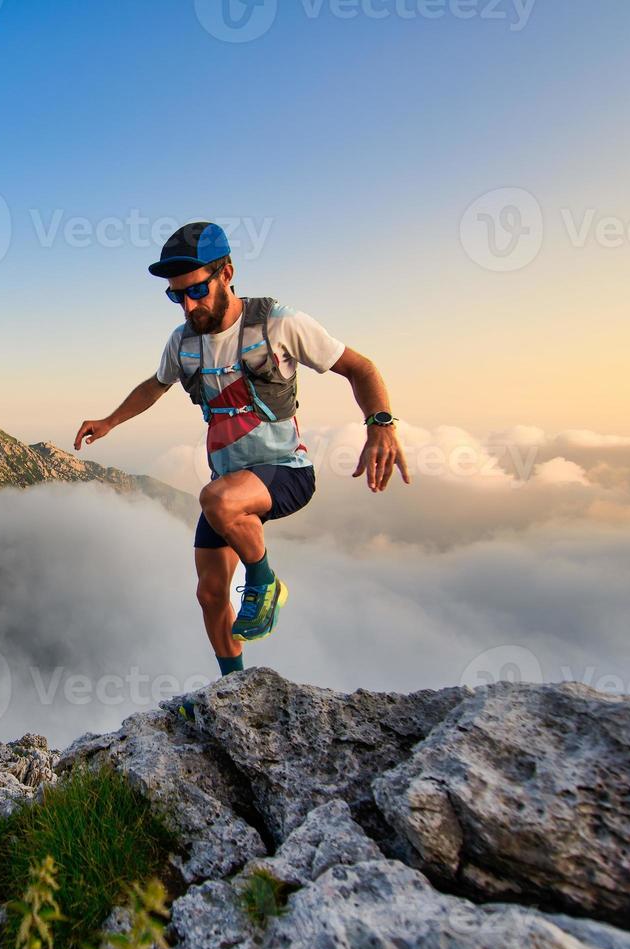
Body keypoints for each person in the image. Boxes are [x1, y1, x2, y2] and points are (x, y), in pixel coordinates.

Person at [73, 220, 409, 684]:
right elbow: (156, 385)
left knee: (215, 499)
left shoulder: (279, 323)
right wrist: (109, 421)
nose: (189, 305)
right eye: (177, 296)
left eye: (197, 290)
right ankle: (233, 685)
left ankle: (265, 581)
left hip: (286, 472)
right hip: (232, 485)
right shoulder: (183, 342)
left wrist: (381, 425)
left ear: (227, 272)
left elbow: (360, 368)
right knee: (210, 593)